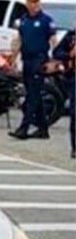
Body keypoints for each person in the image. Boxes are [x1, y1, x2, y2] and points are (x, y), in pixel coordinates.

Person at [8, 0, 57, 140]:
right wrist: (13, 58)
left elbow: (53, 41)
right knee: (34, 94)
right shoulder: (23, 20)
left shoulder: (46, 20)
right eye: (32, 1)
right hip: (27, 60)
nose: (35, 4)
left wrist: (54, 61)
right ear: (27, 3)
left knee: (32, 95)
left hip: (40, 60)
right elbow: (19, 40)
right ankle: (43, 129)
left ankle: (24, 128)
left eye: (37, 1)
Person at [50, 26, 75, 158]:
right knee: (74, 113)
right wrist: (69, 55)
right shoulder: (71, 37)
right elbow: (57, 52)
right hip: (73, 77)